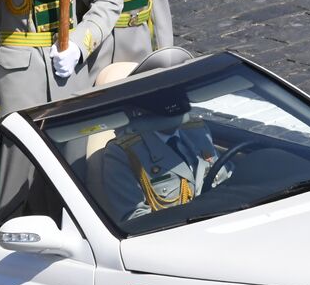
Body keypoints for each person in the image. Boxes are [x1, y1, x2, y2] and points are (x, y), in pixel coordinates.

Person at [98, 83, 231, 222]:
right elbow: (135, 220)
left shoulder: (198, 130)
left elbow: (228, 176)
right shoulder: (123, 153)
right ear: (143, 111)